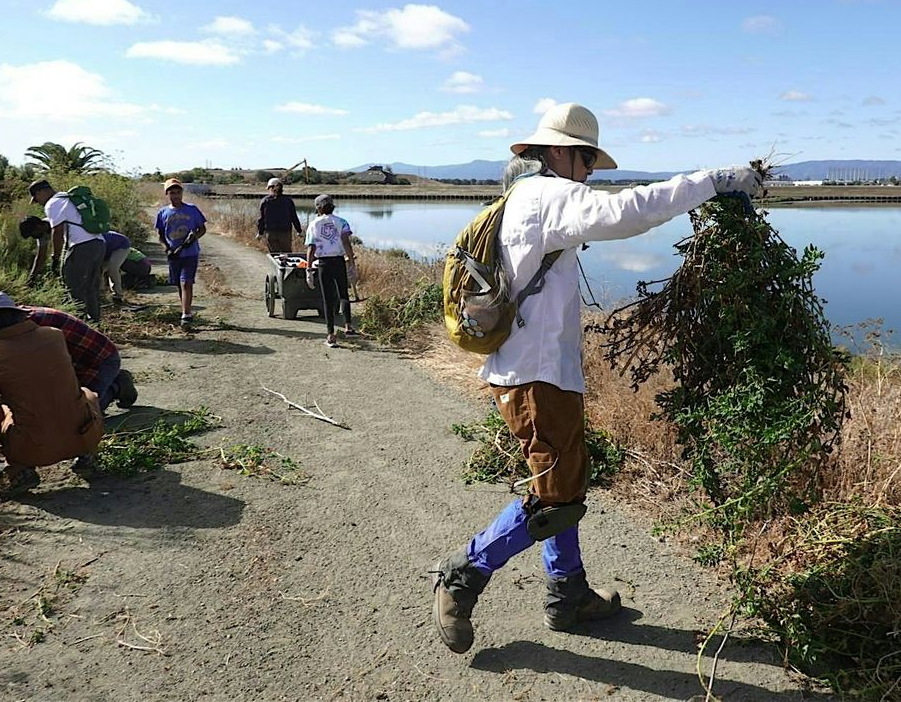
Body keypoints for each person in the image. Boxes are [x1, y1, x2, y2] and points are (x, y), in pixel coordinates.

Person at [429, 102, 765, 654]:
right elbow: (629, 211)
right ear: (561, 151)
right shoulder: (545, 194)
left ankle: (569, 594)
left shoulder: (524, 197)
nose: (589, 173)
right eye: (586, 161)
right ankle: (464, 571)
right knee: (557, 496)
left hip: (534, 371)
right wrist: (713, 181)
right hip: (537, 376)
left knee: (565, 480)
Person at [0, 292, 106, 491]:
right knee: (87, 393)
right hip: (84, 435)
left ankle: (20, 471)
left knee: (1, 413)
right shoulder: (54, 335)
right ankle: (87, 455)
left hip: (33, 450)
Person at [21, 301, 137, 412]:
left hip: (102, 360)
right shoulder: (21, 321)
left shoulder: (34, 326)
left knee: (83, 412)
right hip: (77, 360)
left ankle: (117, 386)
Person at [28, 179, 105, 322]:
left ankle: (81, 326)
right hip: (99, 243)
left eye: (36, 199)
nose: (39, 202)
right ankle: (95, 323)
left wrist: (56, 258)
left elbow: (57, 232)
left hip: (81, 246)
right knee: (91, 288)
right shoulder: (67, 197)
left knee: (73, 287)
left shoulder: (53, 204)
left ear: (40, 192)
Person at [304, 194, 357, 348]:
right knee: (343, 294)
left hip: (323, 264)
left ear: (318, 208)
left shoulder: (314, 224)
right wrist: (352, 262)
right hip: (339, 261)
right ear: (332, 206)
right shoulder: (342, 222)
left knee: (327, 299)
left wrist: (308, 269)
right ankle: (348, 327)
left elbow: (311, 248)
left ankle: (331, 335)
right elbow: (346, 243)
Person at [155, 178, 207, 326]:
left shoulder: (192, 209)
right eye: (172, 192)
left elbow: (202, 229)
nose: (176, 195)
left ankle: (186, 314)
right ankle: (186, 308)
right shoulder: (163, 212)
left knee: (186, 283)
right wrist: (166, 248)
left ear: (182, 193)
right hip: (174, 254)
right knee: (178, 283)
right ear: (167, 194)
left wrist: (193, 238)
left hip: (190, 253)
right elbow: (160, 234)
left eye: (178, 192)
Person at [257, 177, 304, 253]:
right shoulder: (288, 200)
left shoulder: (265, 201)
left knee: (275, 255)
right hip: (285, 232)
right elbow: (294, 217)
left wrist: (260, 232)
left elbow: (261, 219)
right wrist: (299, 231)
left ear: (271, 188)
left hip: (270, 232)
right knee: (287, 254)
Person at [101, 229, 131, 304]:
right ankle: (101, 295)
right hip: (108, 248)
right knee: (99, 270)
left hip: (121, 245)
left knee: (113, 268)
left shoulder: (96, 239)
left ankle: (118, 295)